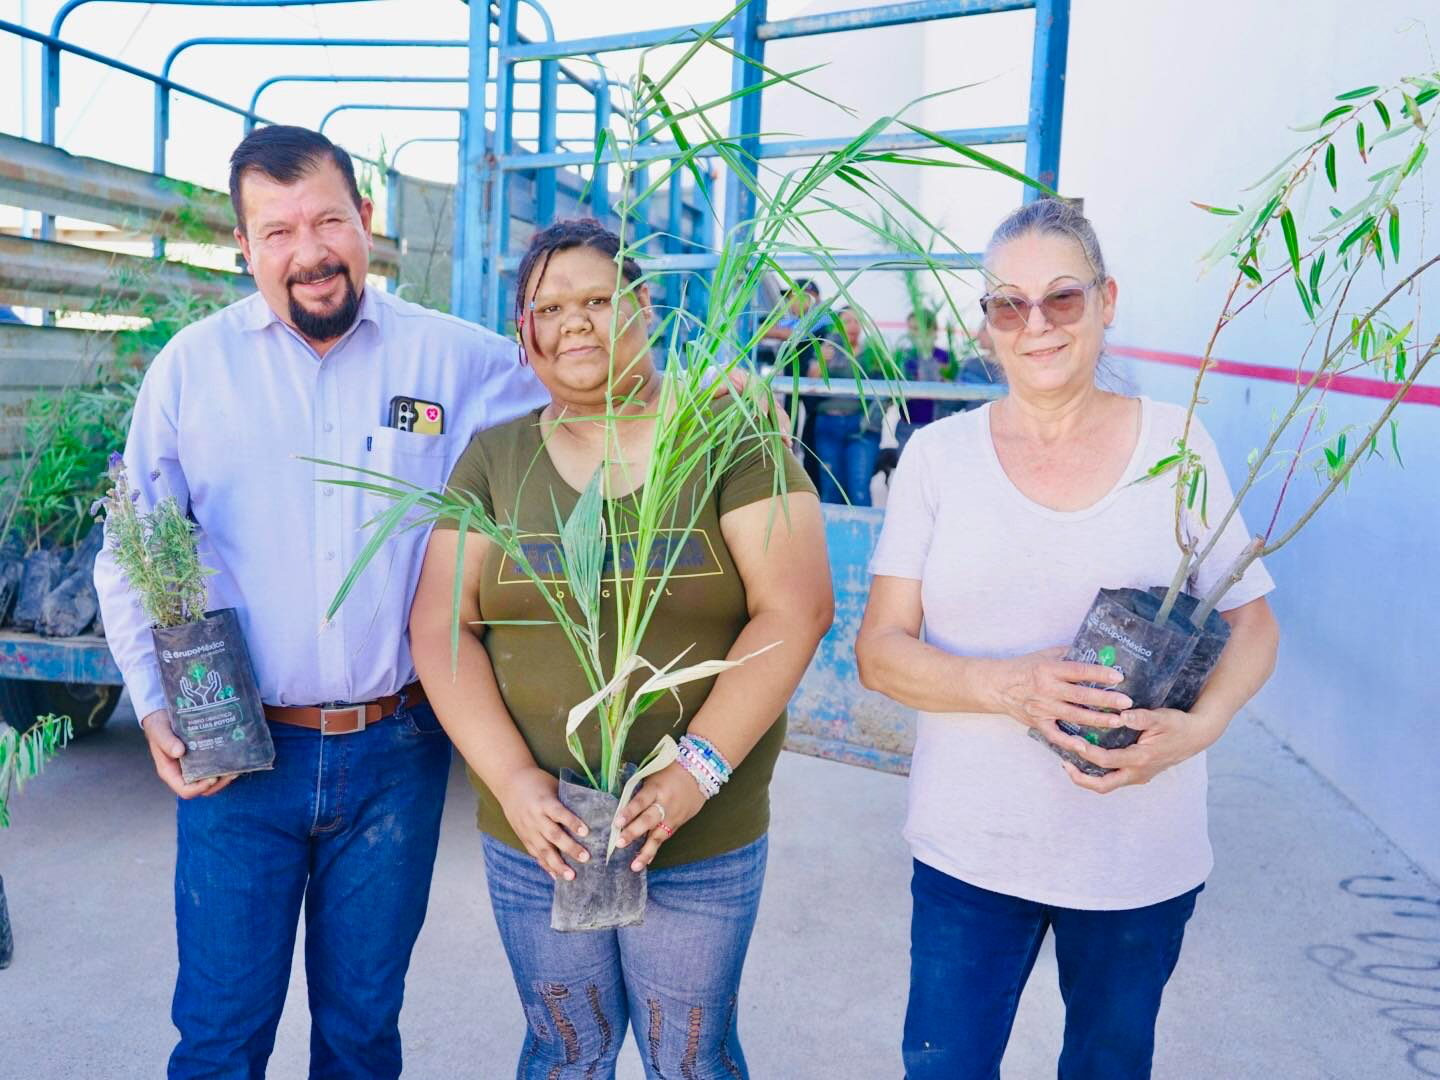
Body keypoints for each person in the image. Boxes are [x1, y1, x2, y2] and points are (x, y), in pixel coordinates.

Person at [94, 125, 548, 1079]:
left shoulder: (456, 361)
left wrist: (707, 396)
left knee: (360, 1037)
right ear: (246, 248)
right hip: (238, 754)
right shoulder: (193, 368)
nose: (310, 253)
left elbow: (584, 391)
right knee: (220, 1038)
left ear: (366, 222)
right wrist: (151, 703)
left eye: (328, 220)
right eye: (278, 231)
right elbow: (128, 551)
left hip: (398, 753)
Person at [854, 198, 1280, 1080]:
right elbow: (880, 650)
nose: (1035, 324)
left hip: (1136, 858)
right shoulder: (938, 458)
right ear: (987, 324)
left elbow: (1255, 625)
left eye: (1062, 298)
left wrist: (1197, 732)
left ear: (1107, 300)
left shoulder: (1177, 443)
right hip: (969, 854)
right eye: (1008, 304)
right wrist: (1007, 687)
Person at [408, 218, 833, 1079]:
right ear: (523, 336)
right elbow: (439, 626)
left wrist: (695, 773)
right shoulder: (494, 459)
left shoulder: (727, 433)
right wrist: (516, 784)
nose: (574, 322)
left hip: (696, 835)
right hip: (544, 837)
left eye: (598, 299)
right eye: (548, 307)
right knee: (567, 1054)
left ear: (642, 308)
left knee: (691, 1062)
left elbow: (796, 609)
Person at [812, 305, 882, 505]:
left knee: (859, 489)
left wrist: (871, 421)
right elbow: (811, 380)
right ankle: (832, 537)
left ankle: (863, 536)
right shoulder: (828, 349)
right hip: (828, 424)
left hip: (860, 426)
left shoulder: (872, 354)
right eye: (847, 321)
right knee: (830, 488)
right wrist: (821, 361)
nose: (852, 326)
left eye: (857, 321)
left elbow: (883, 392)